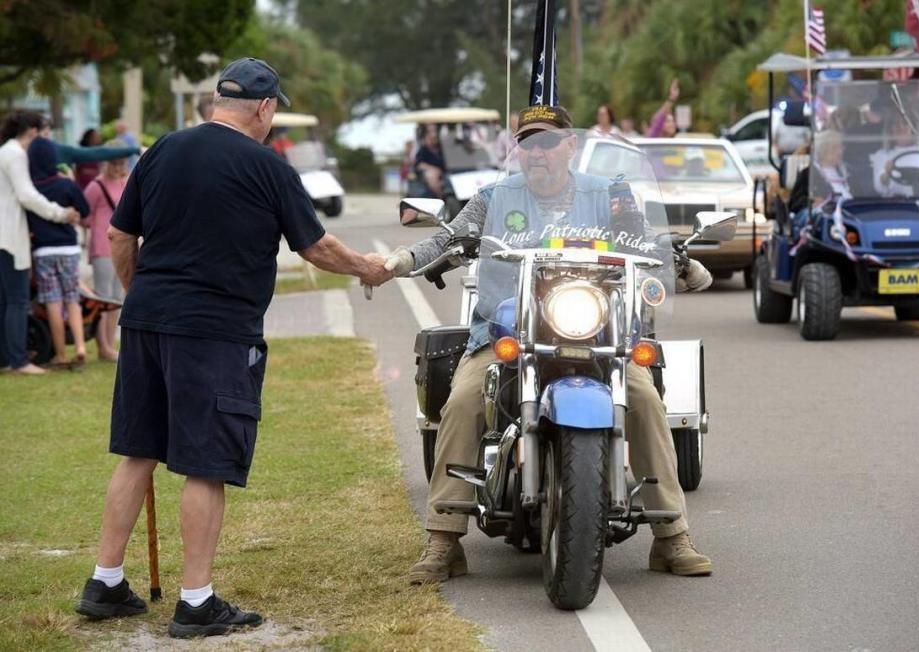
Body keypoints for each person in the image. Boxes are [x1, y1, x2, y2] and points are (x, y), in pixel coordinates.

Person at [74, 57, 392, 638]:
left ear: (219, 100)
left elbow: (122, 233)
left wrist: (138, 293)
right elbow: (315, 247)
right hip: (215, 330)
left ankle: (105, 581)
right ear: (265, 108)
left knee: (138, 450)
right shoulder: (267, 167)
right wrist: (368, 270)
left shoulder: (163, 150)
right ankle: (196, 602)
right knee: (206, 461)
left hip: (148, 320)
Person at [383, 105, 714, 585]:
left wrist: (676, 259)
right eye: (527, 144)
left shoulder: (610, 195)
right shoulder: (494, 197)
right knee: (463, 399)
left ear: (570, 146)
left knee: (643, 399)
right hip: (508, 332)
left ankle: (672, 536)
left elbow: (643, 240)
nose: (536, 153)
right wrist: (401, 259)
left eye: (546, 143)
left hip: (596, 329)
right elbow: (449, 238)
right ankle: (443, 539)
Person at [0, 111, 81, 376]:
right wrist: (62, 213)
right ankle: (18, 360)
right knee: (16, 300)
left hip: (6, 236)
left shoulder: (6, 151)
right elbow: (27, 196)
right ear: (33, 132)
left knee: (6, 300)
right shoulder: (15, 155)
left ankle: (8, 357)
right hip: (9, 237)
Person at [26, 136, 91, 367]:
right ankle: (81, 346)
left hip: (44, 251)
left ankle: (61, 354)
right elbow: (85, 210)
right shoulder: (66, 184)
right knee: (72, 299)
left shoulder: (31, 189)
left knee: (53, 303)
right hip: (69, 250)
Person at [81, 141, 128, 361]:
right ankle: (104, 346)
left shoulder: (126, 182)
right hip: (101, 246)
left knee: (118, 298)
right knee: (102, 298)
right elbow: (84, 214)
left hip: (122, 245)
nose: (119, 167)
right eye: (115, 163)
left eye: (122, 162)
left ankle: (110, 343)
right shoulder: (96, 186)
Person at [788, 130, 852, 235]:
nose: (841, 151)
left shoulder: (848, 171)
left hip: (851, 215)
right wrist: (811, 203)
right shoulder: (808, 174)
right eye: (835, 148)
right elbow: (795, 203)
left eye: (841, 147)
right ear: (824, 151)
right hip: (827, 225)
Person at [872, 112, 919, 197]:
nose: (900, 127)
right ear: (890, 129)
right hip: (894, 204)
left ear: (912, 128)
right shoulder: (882, 155)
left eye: (905, 123)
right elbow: (879, 187)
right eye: (895, 124)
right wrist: (887, 173)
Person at [414, 124, 446, 198]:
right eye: (430, 138)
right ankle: (439, 196)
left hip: (443, 172)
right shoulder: (423, 150)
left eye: (435, 138)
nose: (432, 139)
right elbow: (419, 164)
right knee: (431, 175)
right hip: (429, 173)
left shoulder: (441, 150)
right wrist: (433, 169)